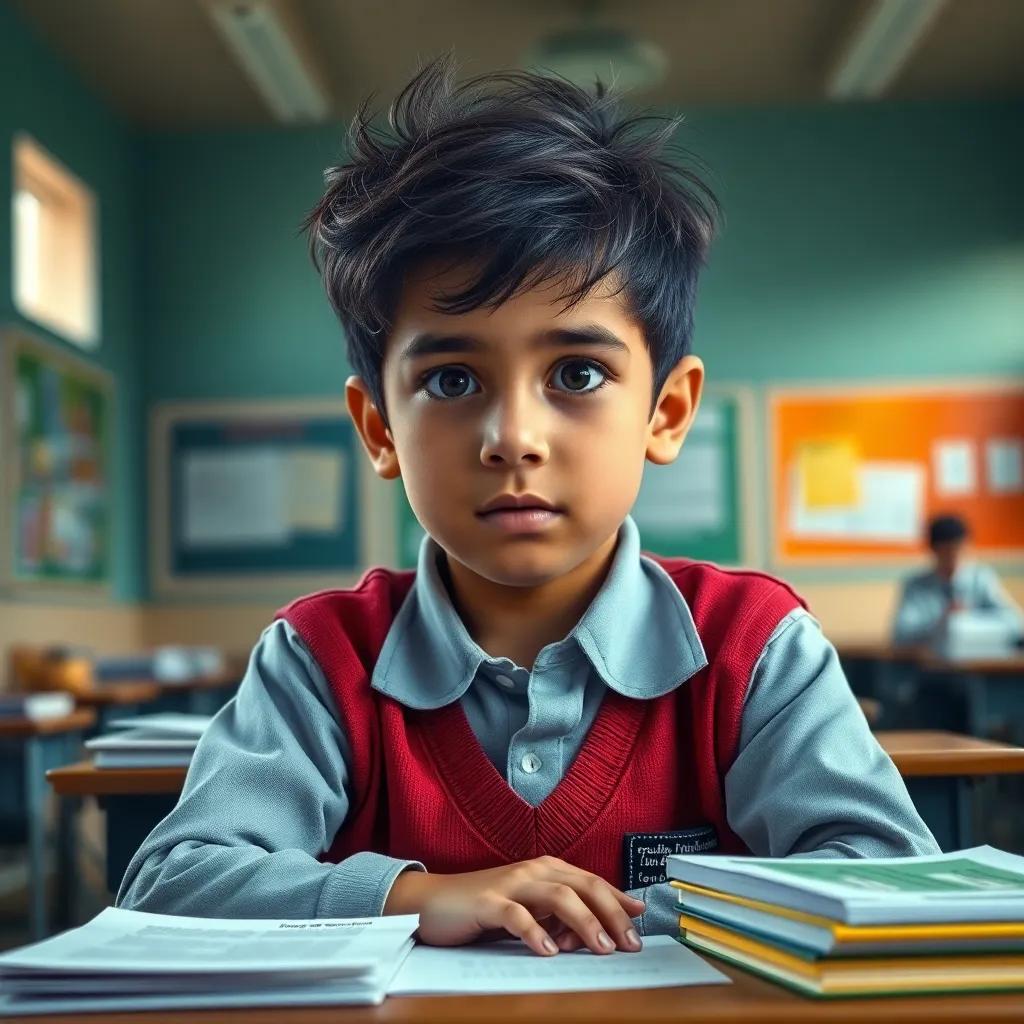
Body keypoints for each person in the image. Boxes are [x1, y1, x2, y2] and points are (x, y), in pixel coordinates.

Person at [117, 56, 938, 957]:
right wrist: (422, 897)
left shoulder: (753, 643)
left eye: (577, 374)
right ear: (379, 427)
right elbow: (175, 878)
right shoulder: (325, 656)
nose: (513, 436)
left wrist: (597, 915)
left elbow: (885, 873)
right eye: (453, 378)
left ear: (665, 413)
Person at [893, 514, 1024, 647]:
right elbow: (901, 634)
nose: (954, 557)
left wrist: (971, 619)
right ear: (933, 550)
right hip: (932, 662)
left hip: (978, 658)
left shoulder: (981, 579)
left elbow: (1015, 622)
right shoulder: (915, 585)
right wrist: (942, 624)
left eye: (959, 549)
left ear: (967, 547)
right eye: (947, 550)